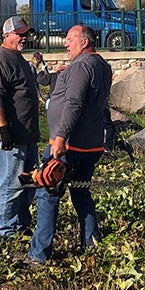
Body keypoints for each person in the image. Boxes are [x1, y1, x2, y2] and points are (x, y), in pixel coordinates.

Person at [28, 25, 112, 265]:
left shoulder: (82, 66)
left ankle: (39, 253)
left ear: (84, 42)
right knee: (80, 191)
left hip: (69, 146)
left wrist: (60, 137)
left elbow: (74, 103)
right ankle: (91, 244)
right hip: (91, 145)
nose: (65, 43)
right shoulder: (101, 66)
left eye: (69, 39)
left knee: (46, 192)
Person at [0, 15, 41, 238]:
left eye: (26, 34)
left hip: (26, 134)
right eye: (20, 34)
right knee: (10, 183)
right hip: (10, 136)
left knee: (28, 183)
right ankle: (6, 231)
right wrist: (4, 130)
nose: (24, 38)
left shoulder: (19, 59)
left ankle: (21, 225)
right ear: (6, 35)